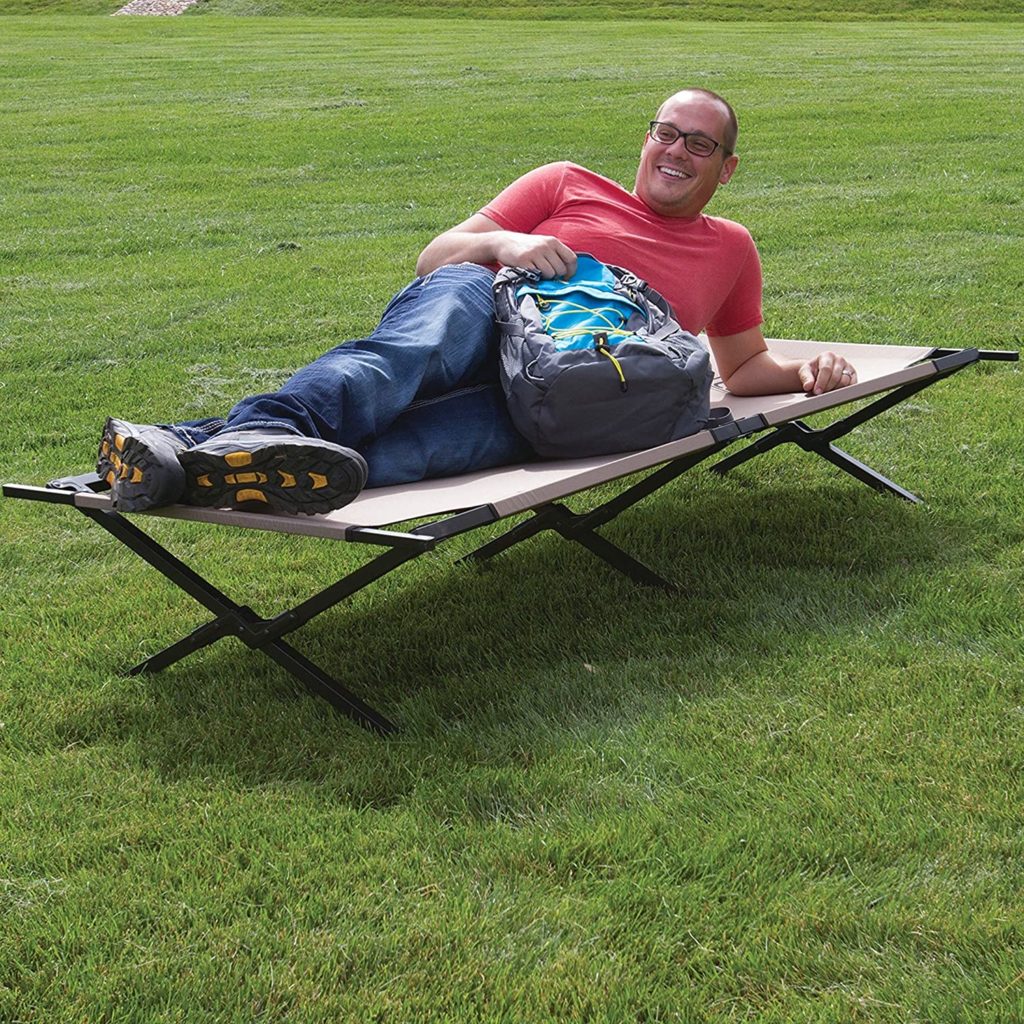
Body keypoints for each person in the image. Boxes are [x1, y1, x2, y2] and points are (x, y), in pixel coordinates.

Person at [98, 88, 857, 516]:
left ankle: (181, 456)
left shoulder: (731, 247)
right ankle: (257, 430)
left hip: (562, 396)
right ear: (645, 138)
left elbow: (743, 364)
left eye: (700, 145)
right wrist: (507, 246)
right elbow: (434, 259)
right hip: (481, 314)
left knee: (396, 455)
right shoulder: (565, 182)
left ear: (726, 170)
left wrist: (806, 373)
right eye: (667, 132)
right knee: (398, 363)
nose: (676, 152)